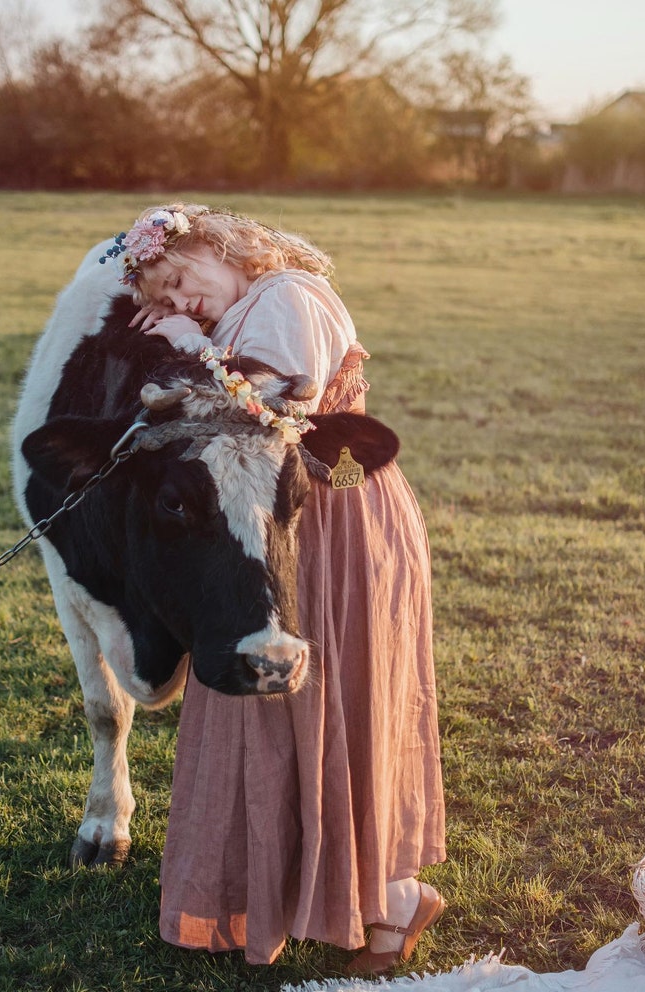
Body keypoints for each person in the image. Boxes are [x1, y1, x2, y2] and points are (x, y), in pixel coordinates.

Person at [101, 203, 446, 974]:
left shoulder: (288, 297)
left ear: (225, 250)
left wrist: (188, 347)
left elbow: (262, 411)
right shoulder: (250, 309)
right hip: (270, 527)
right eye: (163, 297)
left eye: (180, 280)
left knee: (335, 705)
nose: (180, 303)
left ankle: (394, 899)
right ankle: (297, 891)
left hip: (330, 523)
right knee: (274, 718)